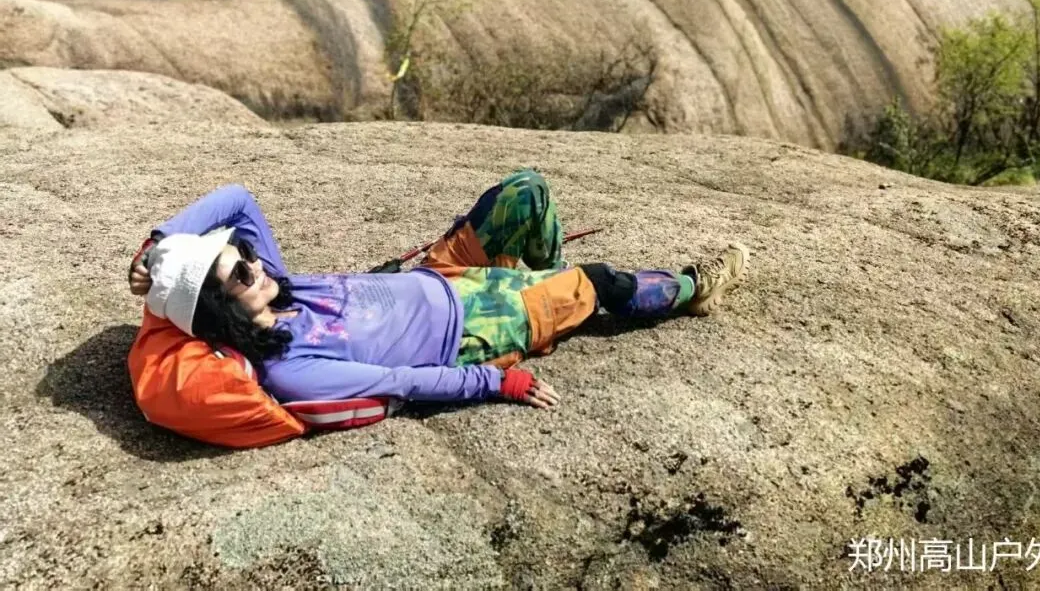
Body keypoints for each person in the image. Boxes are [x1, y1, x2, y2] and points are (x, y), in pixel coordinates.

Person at [127, 170, 749, 411]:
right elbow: (402, 381)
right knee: (601, 281)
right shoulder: (292, 369)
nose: (253, 265)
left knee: (525, 194)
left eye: (245, 254)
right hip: (474, 329)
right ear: (220, 311)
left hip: (438, 274)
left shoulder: (279, 286)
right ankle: (691, 289)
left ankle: (556, 291)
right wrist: (497, 383)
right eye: (238, 273)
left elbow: (237, 199)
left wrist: (158, 245)